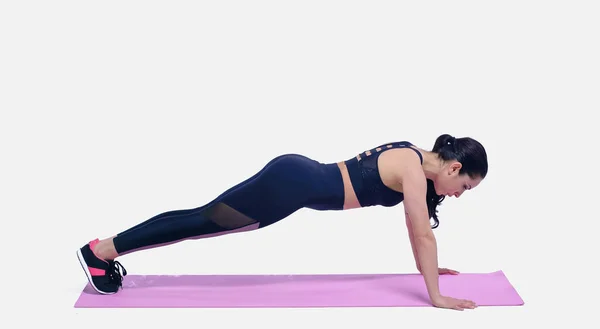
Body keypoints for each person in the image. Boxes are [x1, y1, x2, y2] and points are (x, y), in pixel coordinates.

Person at [76, 134, 488, 311]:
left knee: (200, 217)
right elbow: (418, 232)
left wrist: (431, 271)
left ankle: (103, 248)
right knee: (200, 222)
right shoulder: (414, 172)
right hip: (290, 187)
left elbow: (420, 234)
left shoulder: (413, 154)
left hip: (294, 177)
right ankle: (100, 252)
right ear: (453, 169)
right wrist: (435, 294)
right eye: (465, 187)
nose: (458, 195)